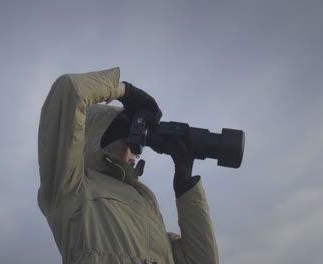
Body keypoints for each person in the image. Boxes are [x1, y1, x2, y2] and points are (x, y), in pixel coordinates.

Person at [38, 67, 219, 264]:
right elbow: (69, 90)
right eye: (130, 138)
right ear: (99, 137)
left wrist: (185, 185)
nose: (137, 150)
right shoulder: (70, 184)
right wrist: (124, 91)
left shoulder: (148, 211)